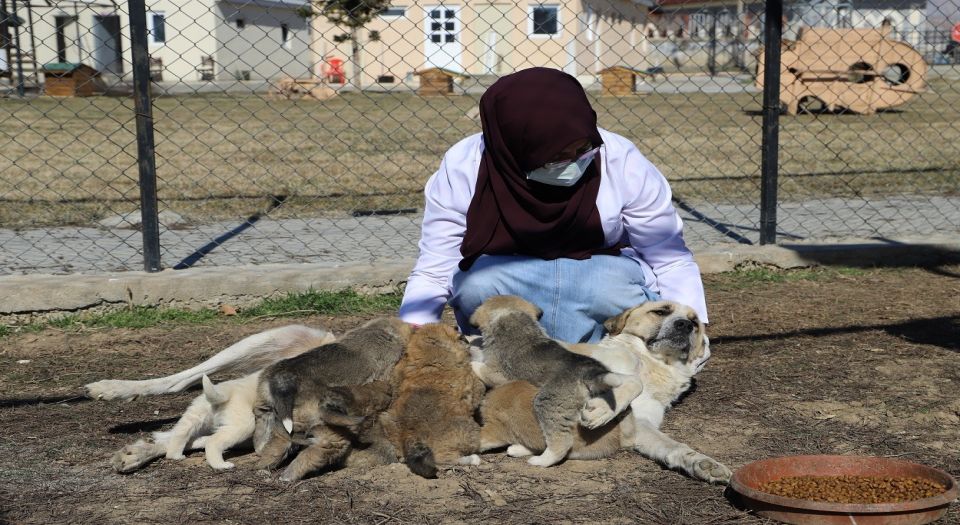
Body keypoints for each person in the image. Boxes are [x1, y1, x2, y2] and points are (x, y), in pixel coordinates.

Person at [398, 67, 707, 343]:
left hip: (601, 277)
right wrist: (414, 338)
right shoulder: (465, 164)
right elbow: (435, 267)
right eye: (556, 157)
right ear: (515, 148)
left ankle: (607, 356)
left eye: (583, 148)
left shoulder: (620, 158)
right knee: (478, 283)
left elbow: (668, 257)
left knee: (608, 286)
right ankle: (508, 358)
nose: (573, 162)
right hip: (507, 278)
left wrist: (695, 331)